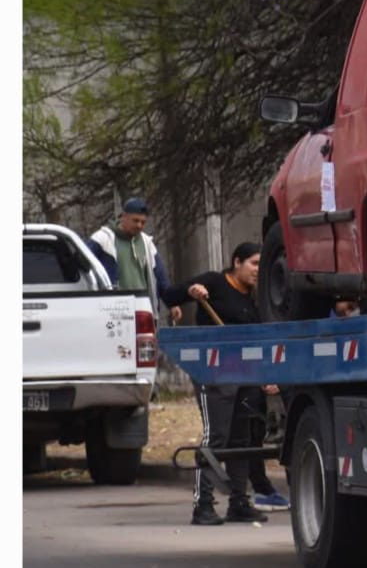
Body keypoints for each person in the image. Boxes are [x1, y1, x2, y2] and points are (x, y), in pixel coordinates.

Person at [181, 242, 286, 523]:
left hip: (246, 375)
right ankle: (202, 504)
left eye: (260, 265)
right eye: (253, 263)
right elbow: (179, 291)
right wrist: (194, 291)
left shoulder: (255, 298)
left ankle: (239, 501)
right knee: (216, 437)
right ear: (236, 262)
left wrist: (267, 374)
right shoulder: (215, 283)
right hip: (214, 373)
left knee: (243, 438)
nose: (257, 270)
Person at [88, 196, 185, 325]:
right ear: (123, 216)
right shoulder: (103, 239)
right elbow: (84, 266)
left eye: (143, 222)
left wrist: (172, 304)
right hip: (113, 313)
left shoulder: (147, 243)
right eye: (135, 221)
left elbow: (160, 277)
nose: (139, 225)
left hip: (143, 311)